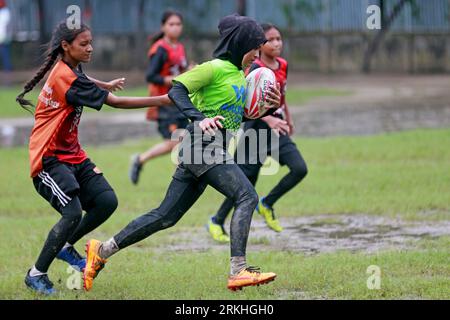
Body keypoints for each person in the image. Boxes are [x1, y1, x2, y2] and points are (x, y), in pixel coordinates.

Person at [83, 14, 283, 292]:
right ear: (240, 45)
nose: (257, 55)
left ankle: (101, 250)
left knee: (166, 216)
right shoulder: (213, 68)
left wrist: (267, 108)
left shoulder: (241, 75)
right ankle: (238, 270)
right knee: (247, 195)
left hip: (203, 151)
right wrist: (199, 117)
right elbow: (176, 90)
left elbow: (240, 115)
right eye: (255, 49)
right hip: (202, 147)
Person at [16, 21, 171, 295]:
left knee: (106, 201)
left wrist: (104, 83)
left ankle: (65, 246)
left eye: (91, 42)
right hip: (48, 159)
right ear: (66, 46)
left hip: (73, 155)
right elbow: (115, 103)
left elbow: (81, 79)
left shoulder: (69, 67)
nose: (90, 48)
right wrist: (163, 99)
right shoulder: (68, 78)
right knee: (73, 212)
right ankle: (36, 273)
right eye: (84, 44)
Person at [207, 23, 308, 242]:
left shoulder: (283, 65)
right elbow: (245, 103)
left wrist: (288, 119)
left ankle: (267, 203)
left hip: (278, 130)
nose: (277, 43)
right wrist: (268, 118)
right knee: (245, 182)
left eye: (279, 38)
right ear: (260, 45)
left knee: (300, 168)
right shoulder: (254, 67)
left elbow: (282, 97)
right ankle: (216, 220)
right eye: (271, 40)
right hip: (255, 131)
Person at [129, 10, 190, 185]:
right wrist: (171, 79)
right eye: (171, 24)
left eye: (178, 24)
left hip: (179, 101)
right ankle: (140, 159)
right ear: (163, 26)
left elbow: (180, 71)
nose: (175, 28)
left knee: (182, 140)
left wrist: (190, 71)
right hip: (163, 102)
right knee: (175, 141)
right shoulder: (160, 49)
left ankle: (180, 180)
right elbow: (151, 76)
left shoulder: (180, 47)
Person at [0, 0, 12, 72]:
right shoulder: (3, 12)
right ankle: (7, 67)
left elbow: (5, 25)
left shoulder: (5, 12)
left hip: (3, 36)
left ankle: (8, 68)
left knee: (5, 52)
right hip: (2, 35)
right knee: (4, 52)